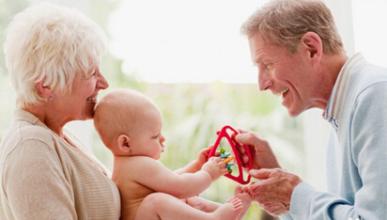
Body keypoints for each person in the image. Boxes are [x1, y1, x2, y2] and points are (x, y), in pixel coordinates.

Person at [235, 0, 387, 219]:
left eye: (267, 65)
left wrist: (294, 195)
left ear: (311, 49)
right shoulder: (341, 119)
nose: (262, 84)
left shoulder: (375, 95)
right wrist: (283, 193)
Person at [0, 3, 120, 220]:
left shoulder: (55, 136)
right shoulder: (31, 146)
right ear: (45, 86)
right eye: (92, 73)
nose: (104, 83)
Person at [93, 89, 252, 220]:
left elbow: (171, 182)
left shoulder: (128, 165)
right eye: (155, 136)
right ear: (125, 144)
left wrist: (197, 166)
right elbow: (180, 187)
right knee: (157, 201)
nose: (163, 139)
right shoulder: (138, 164)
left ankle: (225, 213)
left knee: (188, 200)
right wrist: (208, 173)